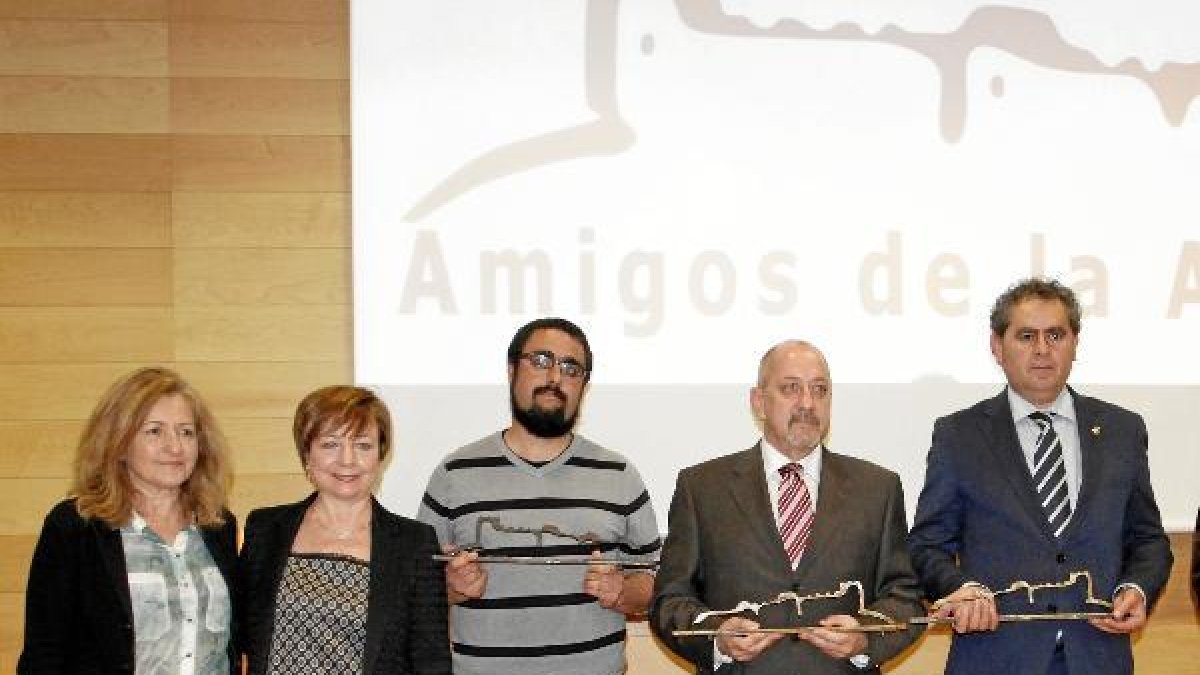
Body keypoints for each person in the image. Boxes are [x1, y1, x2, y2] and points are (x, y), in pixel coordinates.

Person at [907, 277, 1174, 675]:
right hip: (995, 658)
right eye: (1026, 336)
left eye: (1056, 335)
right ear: (997, 347)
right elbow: (926, 546)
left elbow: (1148, 540)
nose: (1043, 350)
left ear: (1075, 343)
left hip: (1098, 657)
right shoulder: (959, 435)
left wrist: (1136, 588)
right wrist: (960, 590)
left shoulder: (1122, 430)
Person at [650, 340, 923, 674]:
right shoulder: (701, 488)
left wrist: (865, 638)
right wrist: (716, 637)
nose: (807, 403)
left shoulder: (878, 488)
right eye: (791, 388)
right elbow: (669, 601)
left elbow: (905, 599)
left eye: (820, 390)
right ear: (758, 402)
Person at [417, 317, 661, 675]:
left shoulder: (619, 475)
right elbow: (417, 591)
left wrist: (622, 592)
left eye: (571, 368)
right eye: (541, 360)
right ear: (511, 369)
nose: (555, 377)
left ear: (584, 386)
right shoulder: (455, 473)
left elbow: (656, 584)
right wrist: (451, 589)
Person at [19, 366, 237, 675]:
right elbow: (44, 652)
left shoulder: (218, 525)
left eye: (186, 432)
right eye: (155, 431)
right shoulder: (76, 527)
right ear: (119, 443)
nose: (175, 447)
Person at [238, 386, 450, 675]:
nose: (347, 460)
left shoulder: (415, 543)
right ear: (306, 454)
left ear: (380, 456)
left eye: (363, 445)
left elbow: (432, 660)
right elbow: (238, 636)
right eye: (330, 444)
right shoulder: (264, 529)